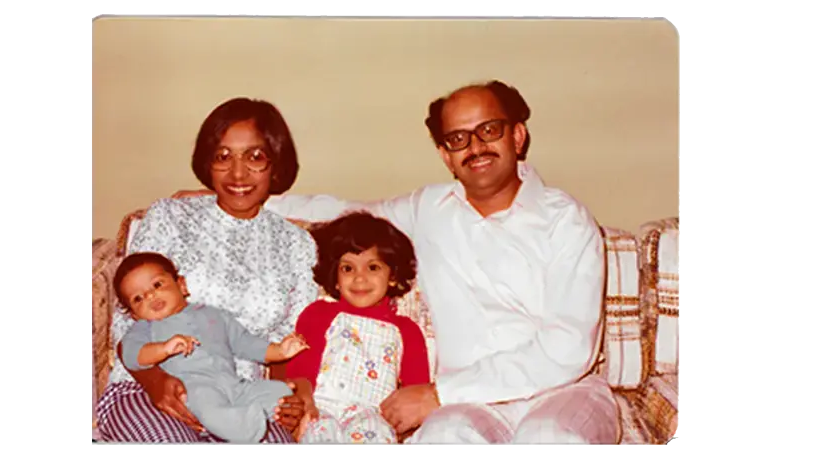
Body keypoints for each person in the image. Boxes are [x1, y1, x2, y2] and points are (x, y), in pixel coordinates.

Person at [174, 80, 621, 445]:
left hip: (561, 394)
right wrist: (235, 201)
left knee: (548, 439)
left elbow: (567, 349)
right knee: (441, 439)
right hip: (467, 407)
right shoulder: (430, 208)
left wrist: (440, 393)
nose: (475, 147)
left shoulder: (566, 220)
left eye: (490, 130)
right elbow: (342, 210)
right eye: (458, 139)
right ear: (446, 154)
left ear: (517, 135)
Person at [96, 97, 320, 444]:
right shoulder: (170, 217)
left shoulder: (297, 244)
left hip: (240, 397)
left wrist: (286, 397)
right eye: (223, 156)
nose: (238, 174)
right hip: (146, 387)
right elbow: (128, 316)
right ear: (207, 162)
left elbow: (288, 340)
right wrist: (156, 383)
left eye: (255, 156)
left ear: (276, 164)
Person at [115, 252, 310, 444]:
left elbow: (245, 343)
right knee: (210, 409)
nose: (150, 296)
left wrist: (280, 350)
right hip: (194, 388)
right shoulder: (145, 327)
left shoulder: (214, 315)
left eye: (157, 285)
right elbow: (131, 355)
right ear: (135, 315)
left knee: (278, 392)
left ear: (181, 285)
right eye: (138, 298)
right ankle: (243, 430)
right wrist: (163, 349)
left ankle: (253, 417)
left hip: (233, 383)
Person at [284, 211, 430, 444]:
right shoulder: (318, 313)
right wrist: (304, 403)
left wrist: (407, 428)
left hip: (372, 414)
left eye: (372, 268)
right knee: (317, 433)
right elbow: (301, 369)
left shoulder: (406, 330)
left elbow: (415, 387)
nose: (359, 279)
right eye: (348, 269)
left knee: (375, 435)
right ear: (335, 277)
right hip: (321, 407)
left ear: (392, 276)